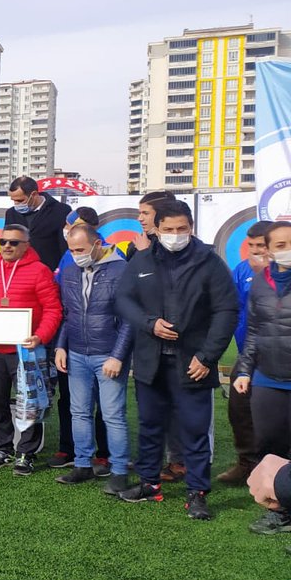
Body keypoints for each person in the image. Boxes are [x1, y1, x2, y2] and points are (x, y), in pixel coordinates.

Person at [115, 199, 238, 520]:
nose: (175, 234)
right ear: (156, 229)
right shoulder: (141, 260)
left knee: (195, 431)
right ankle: (149, 484)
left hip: (193, 364)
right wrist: (148, 323)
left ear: (191, 227)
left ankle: (197, 493)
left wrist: (207, 356)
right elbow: (124, 299)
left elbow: (226, 311)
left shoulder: (210, 263)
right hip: (150, 363)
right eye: (168, 229)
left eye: (182, 229)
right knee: (150, 426)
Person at [0, 224, 62, 476]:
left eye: (14, 242)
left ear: (26, 245)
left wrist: (40, 336)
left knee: (29, 402)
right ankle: (3, 447)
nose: (8, 246)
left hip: (26, 349)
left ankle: (27, 452)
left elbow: (53, 309)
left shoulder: (40, 271)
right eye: (4, 242)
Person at [53, 225, 134, 493]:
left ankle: (119, 471)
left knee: (113, 415)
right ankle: (82, 464)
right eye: (71, 250)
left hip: (107, 356)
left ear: (97, 244)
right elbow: (69, 314)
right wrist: (61, 347)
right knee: (79, 412)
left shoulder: (121, 270)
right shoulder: (69, 272)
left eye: (81, 250)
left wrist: (118, 356)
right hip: (76, 353)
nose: (76, 255)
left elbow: (129, 320)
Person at [232, 221, 291, 535]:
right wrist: (244, 370)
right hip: (267, 379)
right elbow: (253, 333)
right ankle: (278, 511)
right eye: (280, 245)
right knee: (270, 447)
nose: (286, 249)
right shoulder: (259, 283)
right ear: (268, 250)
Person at [125, 190, 183, 481]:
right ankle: (151, 459)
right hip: (147, 340)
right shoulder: (136, 249)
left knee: (178, 405)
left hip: (178, 343)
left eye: (145, 213)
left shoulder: (179, 252)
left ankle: (179, 462)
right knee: (150, 407)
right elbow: (131, 297)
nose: (139, 218)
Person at [218, 221, 271, 485]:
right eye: (251, 245)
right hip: (247, 354)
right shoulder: (241, 270)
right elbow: (233, 310)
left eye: (260, 245)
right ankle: (246, 463)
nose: (254, 251)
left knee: (276, 414)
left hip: (279, 357)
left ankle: (276, 469)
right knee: (238, 409)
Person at [4, 176, 72, 272]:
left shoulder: (60, 210)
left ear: (34, 194)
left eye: (20, 200)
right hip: (19, 272)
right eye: (13, 200)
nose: (16, 204)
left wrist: (62, 270)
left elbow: (65, 245)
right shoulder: (11, 213)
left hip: (50, 271)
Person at [123, 190, 176, 259]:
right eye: (140, 213)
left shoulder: (177, 243)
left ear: (162, 214)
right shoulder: (138, 242)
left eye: (146, 213)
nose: (140, 218)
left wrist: (145, 252)